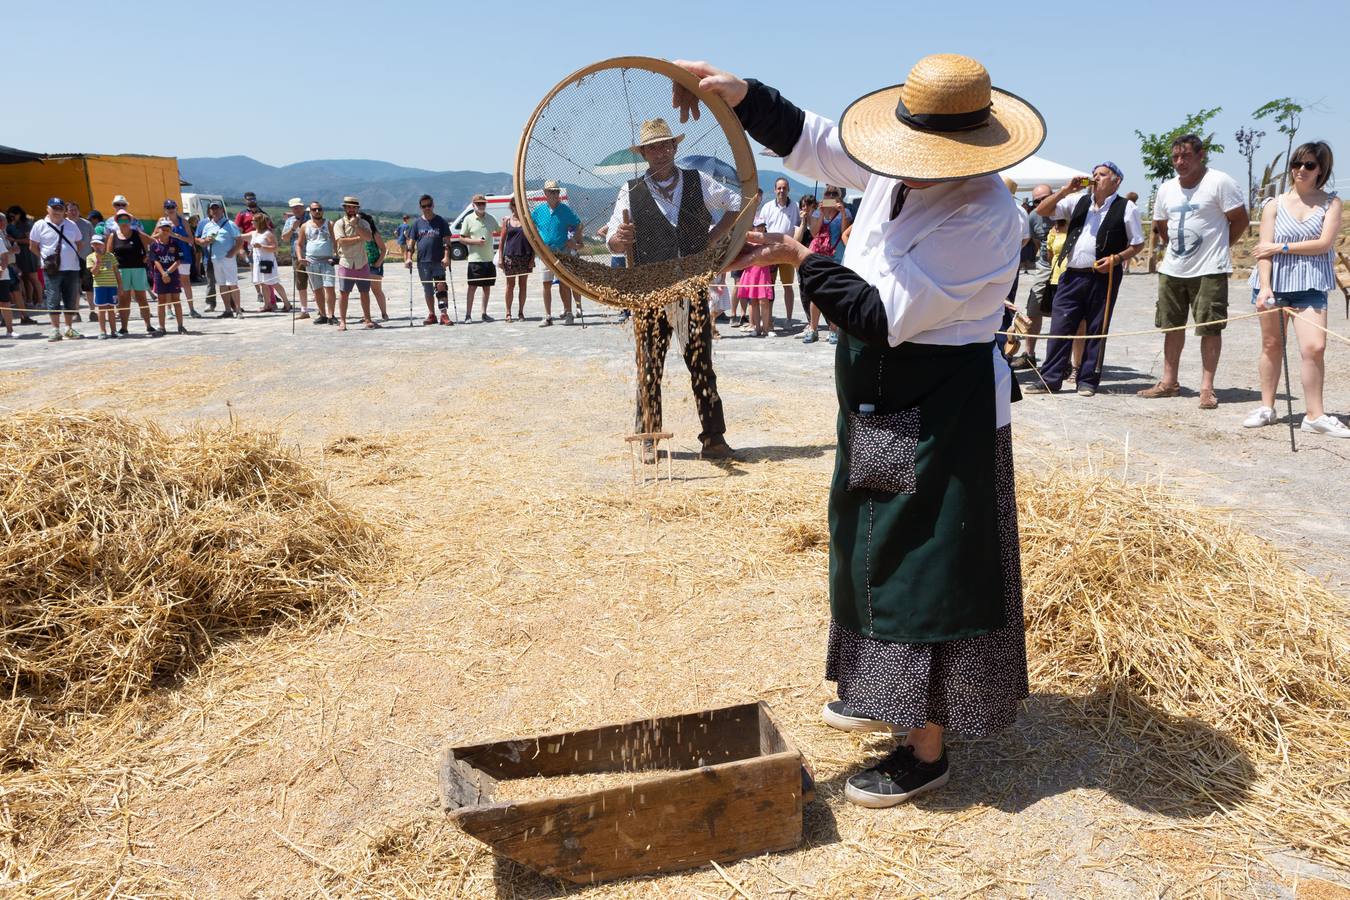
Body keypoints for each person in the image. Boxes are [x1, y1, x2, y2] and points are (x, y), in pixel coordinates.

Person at [678, 52, 1037, 807]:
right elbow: (811, 140)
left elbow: (881, 315)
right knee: (872, 545)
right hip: (882, 399)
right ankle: (884, 693)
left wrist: (798, 257)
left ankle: (926, 748)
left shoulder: (983, 214)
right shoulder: (895, 168)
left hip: (947, 414)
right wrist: (735, 92)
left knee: (928, 569)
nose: (903, 168)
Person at [605, 117, 740, 460]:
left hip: (690, 286)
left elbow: (736, 204)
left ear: (675, 148)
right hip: (649, 290)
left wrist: (712, 237)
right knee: (649, 365)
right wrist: (619, 240)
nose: (661, 152)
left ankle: (713, 438)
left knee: (701, 363)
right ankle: (649, 438)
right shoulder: (630, 190)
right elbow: (612, 240)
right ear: (645, 153)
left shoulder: (698, 180)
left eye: (666, 145)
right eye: (653, 147)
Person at [1244, 142, 1348, 437]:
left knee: (1315, 347)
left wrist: (1282, 246)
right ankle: (1267, 407)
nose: (1301, 170)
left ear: (1321, 170)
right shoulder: (1273, 205)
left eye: (1309, 165)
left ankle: (1315, 415)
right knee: (1271, 345)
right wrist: (1265, 287)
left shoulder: (1331, 203)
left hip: (1311, 284)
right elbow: (1263, 251)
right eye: (1297, 164)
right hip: (1274, 284)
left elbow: (1323, 244)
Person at [1141, 135, 1249, 408]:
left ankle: (1206, 388)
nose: (1180, 162)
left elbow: (1240, 220)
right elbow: (1161, 226)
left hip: (1210, 269)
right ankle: (1168, 382)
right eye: (1175, 157)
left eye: (1186, 156)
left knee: (1210, 328)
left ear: (1201, 155)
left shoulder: (1220, 182)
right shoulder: (1166, 188)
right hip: (1173, 269)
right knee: (1171, 326)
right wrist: (1177, 249)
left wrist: (1219, 247)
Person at [1026, 162, 1144, 397]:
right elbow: (1041, 212)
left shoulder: (1126, 207)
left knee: (1096, 327)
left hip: (1104, 276)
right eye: (1094, 174)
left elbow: (1137, 243)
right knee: (1060, 326)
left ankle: (1087, 380)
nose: (1095, 178)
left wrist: (1117, 259)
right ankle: (1050, 379)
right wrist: (1065, 190)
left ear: (1116, 180)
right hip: (1071, 275)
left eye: (1102, 175)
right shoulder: (1077, 201)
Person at [29, 198, 87, 341]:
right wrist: (45, 259)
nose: (57, 211)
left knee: (70, 298)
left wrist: (70, 256)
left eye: (60, 208)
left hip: (72, 268)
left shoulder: (71, 225)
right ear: (47, 209)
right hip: (52, 270)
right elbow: (33, 246)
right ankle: (55, 329)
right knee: (53, 297)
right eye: (54, 208)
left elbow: (79, 244)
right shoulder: (40, 225)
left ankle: (68, 328)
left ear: (64, 211)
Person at [797, 185, 849, 344]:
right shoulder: (818, 212)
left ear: (839, 197)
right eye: (828, 193)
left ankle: (833, 329)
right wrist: (820, 214)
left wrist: (842, 213)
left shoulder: (845, 213)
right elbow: (813, 232)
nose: (831, 196)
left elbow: (845, 232)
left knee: (834, 293)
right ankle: (813, 328)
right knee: (816, 293)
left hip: (836, 256)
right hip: (819, 256)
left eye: (834, 193)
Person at [1011, 183, 1054, 370]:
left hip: (1066, 266)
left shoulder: (1065, 211)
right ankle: (1029, 354)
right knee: (1033, 307)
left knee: (1065, 314)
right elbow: (1035, 241)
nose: (1041, 203)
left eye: (1045, 198)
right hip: (1044, 266)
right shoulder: (1033, 216)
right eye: (1037, 201)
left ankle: (1064, 360)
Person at [531, 180, 581, 326]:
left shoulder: (565, 210)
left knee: (564, 282)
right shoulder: (539, 211)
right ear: (545, 193)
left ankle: (569, 313)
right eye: (551, 192)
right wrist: (536, 243)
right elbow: (531, 226)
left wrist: (574, 241)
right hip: (545, 252)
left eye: (556, 191)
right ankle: (547, 316)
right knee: (546, 283)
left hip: (563, 251)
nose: (554, 194)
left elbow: (578, 224)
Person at [757, 176, 800, 329]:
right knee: (769, 286)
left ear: (788, 190)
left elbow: (799, 227)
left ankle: (789, 319)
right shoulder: (767, 207)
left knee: (788, 286)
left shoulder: (795, 206)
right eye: (779, 188)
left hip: (788, 252)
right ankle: (768, 320)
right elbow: (760, 227)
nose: (781, 191)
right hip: (771, 252)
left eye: (784, 188)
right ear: (775, 190)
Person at [108, 210, 160, 335]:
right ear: (117, 222)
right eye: (121, 220)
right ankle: (124, 327)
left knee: (141, 298)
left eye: (126, 220)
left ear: (130, 221)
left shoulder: (137, 234)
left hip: (138, 269)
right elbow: (108, 255)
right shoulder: (113, 236)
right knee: (124, 299)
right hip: (121, 271)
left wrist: (148, 255)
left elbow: (154, 242)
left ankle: (148, 325)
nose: (124, 222)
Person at [332, 197, 376, 330]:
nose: (351, 209)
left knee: (364, 292)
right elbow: (341, 241)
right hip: (346, 263)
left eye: (354, 207)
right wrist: (358, 238)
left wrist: (356, 225)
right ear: (345, 208)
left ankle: (367, 319)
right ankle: (343, 321)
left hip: (362, 262)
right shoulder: (339, 224)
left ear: (358, 209)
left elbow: (368, 238)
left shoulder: (363, 223)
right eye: (349, 207)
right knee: (344, 293)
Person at [409, 194, 454, 325]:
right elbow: (411, 244)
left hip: (438, 261)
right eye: (424, 206)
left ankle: (444, 314)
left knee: (441, 287)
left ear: (433, 205)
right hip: (423, 262)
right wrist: (408, 258)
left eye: (429, 205)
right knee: (427, 289)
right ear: (420, 207)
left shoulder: (441, 221)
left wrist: (447, 257)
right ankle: (432, 314)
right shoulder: (417, 224)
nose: (427, 208)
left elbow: (447, 242)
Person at [195, 201, 243, 319]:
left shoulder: (230, 224)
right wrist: (206, 241)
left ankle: (238, 310)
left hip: (228, 259)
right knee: (222, 285)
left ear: (222, 210)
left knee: (232, 284)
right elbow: (199, 241)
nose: (215, 211)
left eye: (217, 208)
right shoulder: (207, 225)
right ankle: (227, 310)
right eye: (213, 209)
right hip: (215, 258)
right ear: (210, 211)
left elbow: (239, 240)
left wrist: (232, 252)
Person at [298, 202, 337, 324]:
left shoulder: (329, 224)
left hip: (327, 261)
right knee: (317, 289)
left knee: (329, 288)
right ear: (310, 211)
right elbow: (299, 244)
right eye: (314, 209)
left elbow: (336, 241)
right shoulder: (305, 226)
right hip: (312, 262)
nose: (317, 211)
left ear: (323, 210)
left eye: (319, 209)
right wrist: (300, 258)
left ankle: (331, 315)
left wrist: (336, 256)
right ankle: (323, 314)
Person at [461, 194, 498, 322]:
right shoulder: (468, 219)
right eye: (479, 204)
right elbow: (461, 238)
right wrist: (475, 241)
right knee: (472, 287)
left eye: (483, 203)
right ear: (473, 205)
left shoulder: (491, 218)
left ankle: (484, 313)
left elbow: (500, 230)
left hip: (489, 259)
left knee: (486, 287)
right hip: (474, 260)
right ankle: (468, 315)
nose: (481, 206)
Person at [148, 219, 188, 334]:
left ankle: (180, 326)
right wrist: (163, 273)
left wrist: (168, 272)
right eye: (163, 229)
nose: (165, 231)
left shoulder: (175, 243)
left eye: (167, 229)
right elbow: (155, 261)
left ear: (170, 230)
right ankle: (161, 327)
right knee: (161, 301)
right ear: (158, 230)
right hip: (159, 275)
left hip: (173, 274)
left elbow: (178, 260)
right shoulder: (154, 245)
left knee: (176, 300)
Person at [163, 200, 201, 318]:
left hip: (183, 254)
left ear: (176, 207)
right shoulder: (162, 221)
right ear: (164, 209)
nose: (170, 209)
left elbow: (191, 240)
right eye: (168, 207)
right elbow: (154, 236)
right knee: (168, 281)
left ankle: (191, 309)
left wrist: (177, 236)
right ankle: (169, 310)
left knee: (185, 281)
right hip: (168, 256)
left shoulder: (183, 221)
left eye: (172, 206)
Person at [737, 221, 775, 336]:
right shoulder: (747, 242)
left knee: (764, 301)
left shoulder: (768, 241)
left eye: (763, 226)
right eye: (758, 226)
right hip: (751, 273)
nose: (761, 228)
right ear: (753, 228)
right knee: (753, 301)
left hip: (763, 273)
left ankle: (766, 329)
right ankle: (757, 328)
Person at [498, 197, 533, 322]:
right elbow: (502, 241)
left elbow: (533, 241)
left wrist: (532, 258)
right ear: (511, 206)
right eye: (514, 204)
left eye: (518, 204)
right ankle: (508, 312)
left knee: (523, 285)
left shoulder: (527, 220)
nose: (516, 206)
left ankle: (521, 312)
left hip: (525, 255)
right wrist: (500, 258)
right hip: (510, 256)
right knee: (510, 285)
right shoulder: (507, 221)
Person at [249, 214, 290, 313]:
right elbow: (240, 236)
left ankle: (287, 303)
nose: (252, 222)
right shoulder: (254, 233)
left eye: (254, 220)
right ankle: (267, 305)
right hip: (258, 262)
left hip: (267, 261)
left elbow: (275, 247)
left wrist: (261, 246)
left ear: (259, 222)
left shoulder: (268, 234)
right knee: (263, 283)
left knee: (274, 283)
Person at [281, 198, 311, 318]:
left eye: (298, 207)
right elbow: (285, 238)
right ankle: (304, 310)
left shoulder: (311, 218)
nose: (296, 209)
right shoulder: (290, 221)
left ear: (303, 207)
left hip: (312, 255)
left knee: (317, 283)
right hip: (297, 256)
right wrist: (293, 228)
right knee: (300, 284)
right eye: (294, 208)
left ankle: (322, 310)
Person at [87, 233, 120, 339]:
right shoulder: (90, 257)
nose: (97, 246)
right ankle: (102, 331)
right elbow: (94, 273)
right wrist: (98, 262)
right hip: (100, 286)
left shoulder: (111, 256)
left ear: (104, 245)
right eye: (95, 244)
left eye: (99, 244)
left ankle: (114, 331)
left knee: (111, 308)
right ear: (92, 245)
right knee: (102, 309)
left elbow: (116, 272)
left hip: (112, 286)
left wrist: (120, 286)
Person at [65, 201, 94, 320]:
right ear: (66, 212)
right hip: (71, 261)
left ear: (79, 211)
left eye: (75, 209)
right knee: (74, 287)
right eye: (70, 210)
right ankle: (76, 313)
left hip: (86, 259)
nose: (73, 212)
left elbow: (93, 241)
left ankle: (93, 312)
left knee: (89, 287)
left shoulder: (87, 224)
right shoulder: (63, 225)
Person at [359, 211, 390, 321]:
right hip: (361, 265)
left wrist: (378, 263)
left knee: (376, 290)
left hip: (374, 265)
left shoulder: (374, 234)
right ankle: (366, 315)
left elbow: (383, 249)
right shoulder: (357, 233)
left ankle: (384, 313)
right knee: (363, 291)